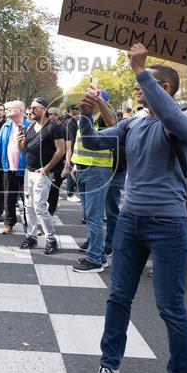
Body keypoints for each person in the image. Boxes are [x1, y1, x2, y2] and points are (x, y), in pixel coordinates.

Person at [77, 44, 187, 373]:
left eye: (149, 83)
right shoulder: (133, 123)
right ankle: (109, 367)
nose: (138, 88)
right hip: (129, 222)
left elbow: (171, 118)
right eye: (140, 84)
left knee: (170, 306)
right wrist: (85, 117)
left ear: (168, 89)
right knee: (118, 298)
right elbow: (97, 142)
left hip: (168, 224)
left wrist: (141, 71)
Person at [71, 90, 126, 274]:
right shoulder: (85, 118)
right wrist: (74, 164)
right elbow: (80, 142)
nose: (86, 102)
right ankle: (99, 255)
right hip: (83, 168)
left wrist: (100, 102)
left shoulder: (104, 118)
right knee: (88, 215)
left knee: (94, 217)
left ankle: (94, 259)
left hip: (97, 171)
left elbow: (114, 123)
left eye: (91, 99)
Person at [18, 98, 66, 253]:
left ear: (44, 109)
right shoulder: (29, 127)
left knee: (40, 207)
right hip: (29, 171)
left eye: (35, 108)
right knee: (28, 206)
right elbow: (22, 150)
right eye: (31, 108)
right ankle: (31, 237)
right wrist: (20, 143)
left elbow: (61, 150)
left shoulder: (53, 127)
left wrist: (47, 168)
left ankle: (51, 240)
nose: (31, 111)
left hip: (42, 173)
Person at [0, 101, 29, 235]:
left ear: (21, 110)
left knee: (28, 199)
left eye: (11, 108)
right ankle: (9, 223)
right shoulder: (6, 126)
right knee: (9, 198)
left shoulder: (30, 126)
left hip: (25, 169)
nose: (7, 110)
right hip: (8, 168)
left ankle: (31, 225)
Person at [63, 104, 81, 201]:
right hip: (71, 149)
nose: (78, 110)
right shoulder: (70, 121)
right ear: (70, 110)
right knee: (71, 171)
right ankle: (70, 194)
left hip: (70, 149)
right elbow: (70, 138)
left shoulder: (70, 120)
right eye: (76, 109)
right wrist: (73, 150)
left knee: (68, 171)